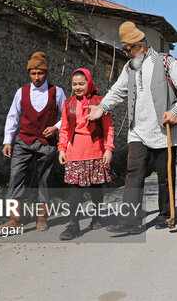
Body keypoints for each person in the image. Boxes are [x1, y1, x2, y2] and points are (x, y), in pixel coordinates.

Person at [85, 21, 177, 233]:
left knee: (165, 176)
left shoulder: (166, 62)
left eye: (128, 49)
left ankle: (166, 213)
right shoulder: (129, 67)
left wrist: (175, 111)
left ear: (141, 47)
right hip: (138, 131)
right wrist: (102, 107)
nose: (126, 53)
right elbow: (117, 90)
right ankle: (131, 221)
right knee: (133, 173)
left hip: (164, 131)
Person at [0, 52, 66, 230]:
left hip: (47, 143)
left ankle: (42, 218)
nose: (37, 77)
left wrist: (56, 127)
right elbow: (12, 117)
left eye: (40, 73)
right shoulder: (21, 92)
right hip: (24, 140)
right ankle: (14, 220)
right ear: (29, 73)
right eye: (33, 73)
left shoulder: (57, 92)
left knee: (44, 178)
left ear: (46, 73)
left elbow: (68, 116)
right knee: (15, 176)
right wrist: (8, 141)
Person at [57, 68, 114, 240]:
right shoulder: (68, 103)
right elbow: (65, 128)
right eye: (74, 84)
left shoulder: (100, 102)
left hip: (96, 150)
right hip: (74, 152)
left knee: (96, 187)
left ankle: (96, 217)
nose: (77, 87)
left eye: (81, 84)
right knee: (75, 189)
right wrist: (61, 149)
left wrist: (108, 149)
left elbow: (108, 127)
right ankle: (73, 225)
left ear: (89, 83)